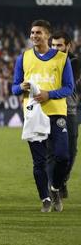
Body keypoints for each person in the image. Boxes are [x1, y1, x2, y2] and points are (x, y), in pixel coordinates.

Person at [11, 20, 73, 212]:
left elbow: (69, 87)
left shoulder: (62, 59)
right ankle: (45, 198)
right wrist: (20, 87)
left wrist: (49, 94)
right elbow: (14, 87)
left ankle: (54, 187)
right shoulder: (24, 58)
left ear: (47, 35)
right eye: (32, 32)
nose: (34, 35)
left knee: (63, 156)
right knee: (38, 161)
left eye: (38, 32)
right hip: (33, 115)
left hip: (56, 112)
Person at [50, 31, 81, 198]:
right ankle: (53, 185)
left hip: (69, 110)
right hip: (50, 109)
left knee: (72, 151)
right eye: (53, 45)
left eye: (59, 45)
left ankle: (61, 180)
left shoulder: (74, 62)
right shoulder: (46, 58)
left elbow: (67, 83)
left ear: (68, 46)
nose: (56, 48)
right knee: (51, 153)